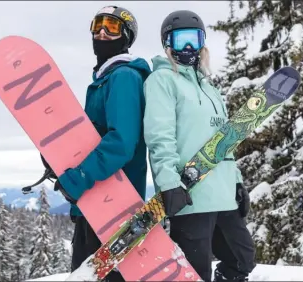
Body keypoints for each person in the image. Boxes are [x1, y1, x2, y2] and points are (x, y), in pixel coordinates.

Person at [29, 5, 151, 282]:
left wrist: (80, 177)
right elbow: (91, 140)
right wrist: (60, 160)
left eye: (112, 27)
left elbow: (121, 142)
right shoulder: (104, 81)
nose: (103, 33)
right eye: (98, 26)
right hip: (98, 202)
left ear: (127, 36)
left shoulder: (123, 77)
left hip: (113, 203)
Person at [142, 10, 256, 282]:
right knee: (195, 272)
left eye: (195, 39)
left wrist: (237, 182)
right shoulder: (162, 80)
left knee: (242, 259)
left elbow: (226, 140)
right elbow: (160, 136)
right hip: (189, 195)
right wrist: (169, 183)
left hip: (223, 193)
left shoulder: (210, 87)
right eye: (182, 41)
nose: (189, 48)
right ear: (168, 43)